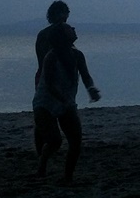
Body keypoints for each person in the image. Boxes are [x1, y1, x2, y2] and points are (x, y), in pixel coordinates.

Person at [32, 22, 101, 183]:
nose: (74, 29)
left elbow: (85, 76)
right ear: (62, 36)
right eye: (69, 28)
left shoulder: (77, 55)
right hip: (45, 102)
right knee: (55, 141)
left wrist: (91, 88)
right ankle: (41, 166)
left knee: (76, 141)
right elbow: (48, 84)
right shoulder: (51, 56)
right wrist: (62, 99)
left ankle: (67, 177)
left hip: (66, 102)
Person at [35, 0, 70, 86]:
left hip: (46, 75)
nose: (65, 17)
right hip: (50, 76)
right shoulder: (46, 34)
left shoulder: (43, 34)